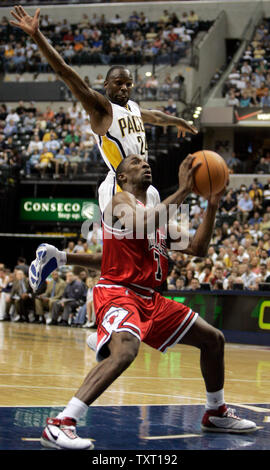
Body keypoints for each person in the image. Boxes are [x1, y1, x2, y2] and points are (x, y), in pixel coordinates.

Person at [29, 154, 256, 450]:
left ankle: (215, 412)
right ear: (122, 178)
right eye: (136, 162)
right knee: (125, 352)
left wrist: (212, 205)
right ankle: (61, 422)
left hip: (151, 298)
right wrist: (185, 190)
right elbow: (142, 222)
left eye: (145, 161)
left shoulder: (157, 219)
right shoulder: (120, 203)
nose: (145, 163)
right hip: (119, 292)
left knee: (213, 340)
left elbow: (198, 247)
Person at [10, 6, 197, 213]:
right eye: (118, 83)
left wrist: (178, 121)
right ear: (106, 84)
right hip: (119, 184)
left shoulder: (133, 107)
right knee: (126, 240)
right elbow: (64, 71)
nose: (124, 87)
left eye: (128, 83)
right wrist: (37, 36)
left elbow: (155, 116)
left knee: (152, 240)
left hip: (142, 183)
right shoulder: (101, 108)